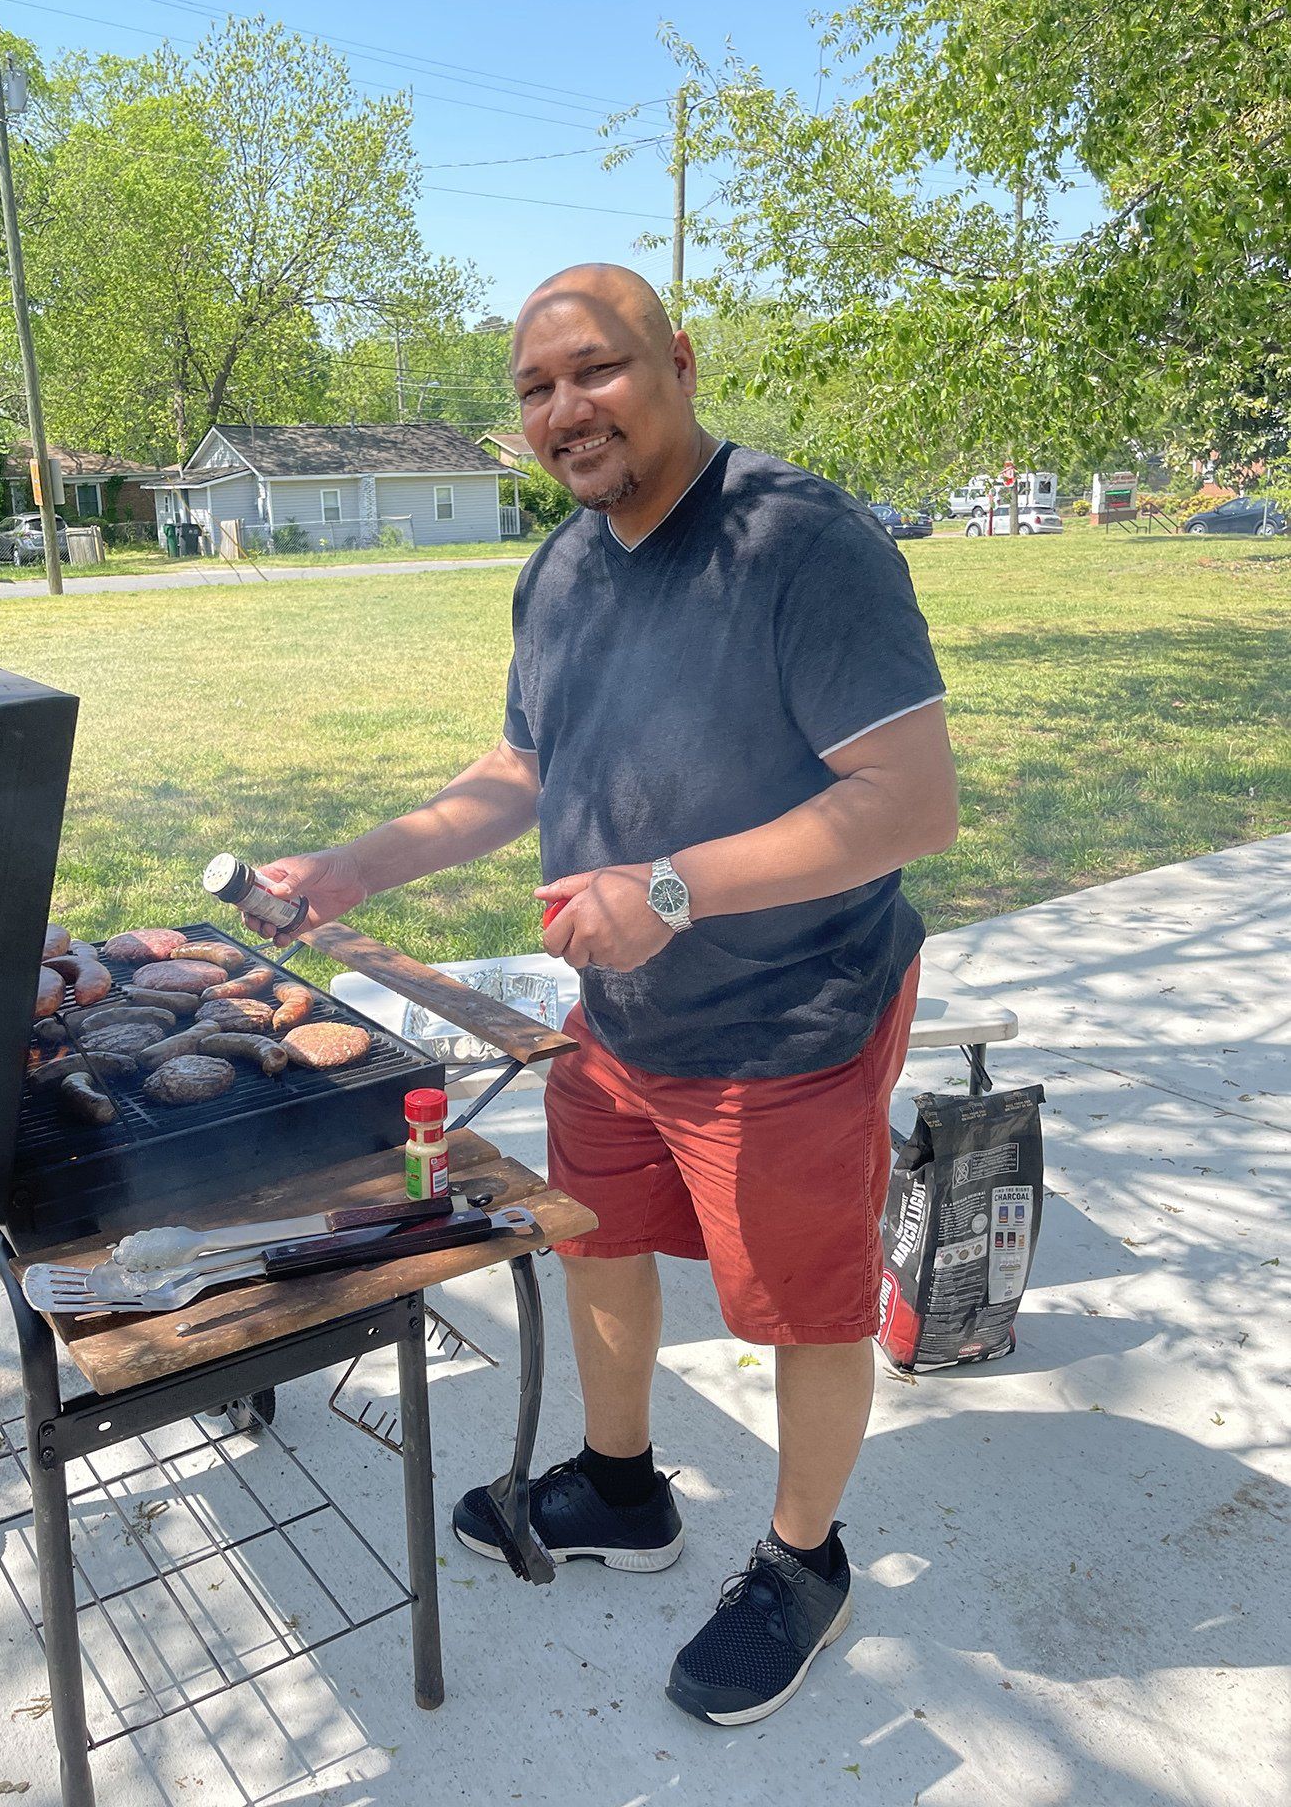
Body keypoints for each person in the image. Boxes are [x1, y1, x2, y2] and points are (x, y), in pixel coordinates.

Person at [247, 264, 957, 1727]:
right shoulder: (561, 568)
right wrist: (355, 866)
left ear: (678, 361)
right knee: (599, 1245)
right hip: (618, 1021)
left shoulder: (799, 542)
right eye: (535, 388)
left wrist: (675, 888)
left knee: (804, 1308)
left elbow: (909, 802)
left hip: (792, 1019)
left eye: (598, 368)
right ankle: (624, 1489)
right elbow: (522, 771)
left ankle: (804, 1563)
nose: (567, 409)